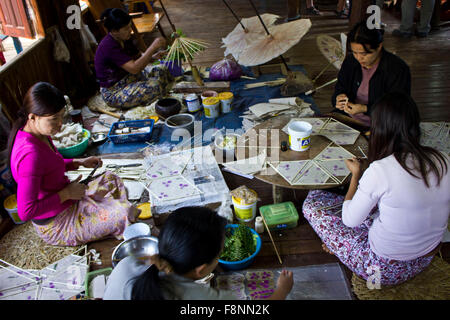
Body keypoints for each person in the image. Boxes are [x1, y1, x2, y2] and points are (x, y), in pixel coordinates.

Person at [303, 92, 449, 286]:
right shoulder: (444, 159)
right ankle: (342, 246)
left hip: (380, 271)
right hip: (424, 258)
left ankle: (340, 248)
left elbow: (349, 221)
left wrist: (356, 176)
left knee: (313, 203)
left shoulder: (382, 169)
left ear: (380, 129)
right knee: (382, 208)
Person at [7, 82, 140, 246]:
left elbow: (49, 165)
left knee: (110, 179)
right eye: (54, 119)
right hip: (57, 223)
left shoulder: (39, 133)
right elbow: (25, 212)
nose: (60, 124)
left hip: (68, 200)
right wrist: (66, 194)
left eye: (61, 117)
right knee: (124, 214)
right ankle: (110, 211)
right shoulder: (29, 155)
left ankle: (105, 209)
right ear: (32, 117)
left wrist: (78, 162)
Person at [103, 206, 294, 300]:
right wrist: (282, 290)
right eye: (219, 254)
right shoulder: (203, 297)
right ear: (201, 270)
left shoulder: (126, 265)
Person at [331, 20, 411, 127]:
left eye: (364, 53)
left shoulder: (397, 69)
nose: (359, 58)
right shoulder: (351, 62)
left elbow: (398, 108)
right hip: (350, 118)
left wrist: (365, 108)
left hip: (383, 125)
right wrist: (339, 98)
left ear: (379, 47)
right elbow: (340, 88)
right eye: (355, 52)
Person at [94, 8, 172, 108]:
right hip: (114, 90)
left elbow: (139, 57)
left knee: (162, 69)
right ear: (114, 31)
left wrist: (153, 57)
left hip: (129, 78)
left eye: (130, 26)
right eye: (126, 28)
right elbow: (134, 68)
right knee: (154, 87)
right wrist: (152, 47)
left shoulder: (124, 38)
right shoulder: (109, 46)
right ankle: (155, 96)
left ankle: (158, 92)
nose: (130, 30)